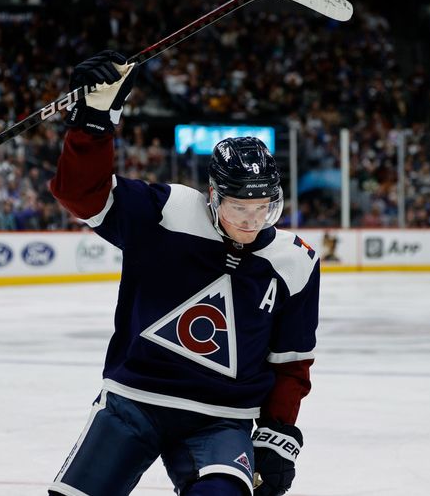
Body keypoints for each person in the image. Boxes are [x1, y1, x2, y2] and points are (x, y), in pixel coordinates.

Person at [48, 51, 320, 496]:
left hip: (221, 418)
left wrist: (278, 434)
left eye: (264, 208)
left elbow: (291, 363)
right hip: (134, 402)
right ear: (213, 196)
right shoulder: (167, 213)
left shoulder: (295, 261)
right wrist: (93, 124)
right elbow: (79, 194)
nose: (252, 221)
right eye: (239, 208)